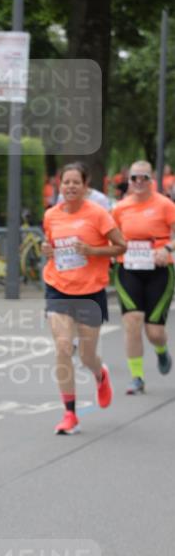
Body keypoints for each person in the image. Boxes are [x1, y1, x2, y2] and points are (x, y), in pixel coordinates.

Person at [42, 162, 126, 435]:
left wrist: (92, 250)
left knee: (88, 355)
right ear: (59, 184)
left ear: (85, 185)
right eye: (65, 182)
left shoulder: (99, 215)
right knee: (64, 347)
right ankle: (70, 415)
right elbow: (51, 244)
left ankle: (100, 375)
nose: (70, 187)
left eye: (75, 182)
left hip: (90, 292)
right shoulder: (51, 215)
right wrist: (47, 249)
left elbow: (121, 246)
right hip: (58, 287)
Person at [111, 160, 175, 394]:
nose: (139, 182)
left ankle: (161, 350)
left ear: (151, 180)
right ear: (128, 181)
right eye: (134, 178)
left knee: (154, 332)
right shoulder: (120, 208)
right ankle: (137, 377)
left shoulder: (165, 205)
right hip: (128, 269)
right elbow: (110, 236)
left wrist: (167, 249)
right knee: (132, 321)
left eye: (144, 178)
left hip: (159, 270)